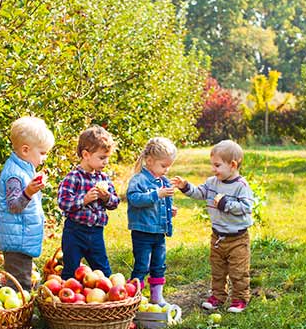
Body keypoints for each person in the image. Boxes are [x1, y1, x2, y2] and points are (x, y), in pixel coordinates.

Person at [172, 140, 254, 313]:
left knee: (238, 271)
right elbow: (200, 193)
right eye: (212, 164)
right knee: (217, 269)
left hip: (237, 238)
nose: (213, 169)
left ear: (232, 165)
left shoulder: (241, 186)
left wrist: (226, 204)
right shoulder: (212, 182)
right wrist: (185, 187)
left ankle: (240, 299)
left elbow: (246, 208)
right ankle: (218, 296)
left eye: (217, 165)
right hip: (217, 237)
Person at [0, 116, 55, 291]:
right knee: (20, 282)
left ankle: (19, 308)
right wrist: (29, 191)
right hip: (16, 239)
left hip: (20, 236)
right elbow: (14, 206)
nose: (44, 158)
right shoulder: (14, 174)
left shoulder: (22, 168)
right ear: (25, 150)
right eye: (42, 153)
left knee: (22, 276)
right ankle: (19, 314)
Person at [57, 125, 120, 280]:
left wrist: (106, 198)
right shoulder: (73, 177)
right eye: (101, 158)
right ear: (86, 154)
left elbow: (115, 202)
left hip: (96, 232)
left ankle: (106, 301)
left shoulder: (103, 178)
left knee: (104, 272)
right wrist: (83, 200)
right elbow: (63, 202)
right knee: (70, 270)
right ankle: (67, 303)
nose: (105, 162)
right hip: (75, 232)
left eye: (107, 158)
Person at [126, 137, 178, 305]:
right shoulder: (139, 180)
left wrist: (170, 211)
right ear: (149, 161)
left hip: (159, 232)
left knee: (159, 265)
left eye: (169, 166)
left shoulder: (164, 181)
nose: (167, 170)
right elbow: (134, 199)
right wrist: (157, 194)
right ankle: (136, 297)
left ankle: (157, 297)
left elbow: (162, 204)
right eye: (163, 166)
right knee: (142, 265)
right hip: (143, 232)